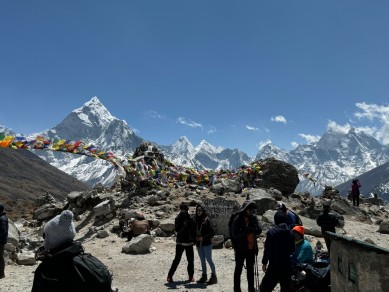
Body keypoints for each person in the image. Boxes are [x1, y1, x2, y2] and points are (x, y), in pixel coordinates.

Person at [260, 210, 295, 292]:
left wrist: (264, 262)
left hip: (274, 266)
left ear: (275, 220)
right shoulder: (290, 233)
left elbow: (267, 249)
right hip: (286, 265)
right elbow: (292, 249)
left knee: (264, 288)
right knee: (286, 288)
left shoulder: (271, 232)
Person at [231, 200, 262, 292]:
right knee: (238, 270)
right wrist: (246, 231)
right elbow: (234, 234)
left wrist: (254, 228)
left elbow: (259, 230)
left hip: (251, 249)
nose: (251, 211)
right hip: (240, 249)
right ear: (245, 209)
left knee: (250, 271)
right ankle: (237, 289)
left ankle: (251, 289)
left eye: (252, 210)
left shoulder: (254, 218)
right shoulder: (237, 219)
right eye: (249, 209)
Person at [167, 203, 196, 283]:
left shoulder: (188, 218)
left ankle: (190, 276)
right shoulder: (178, 218)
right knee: (179, 259)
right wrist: (184, 225)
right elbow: (177, 230)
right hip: (182, 242)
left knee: (188, 260)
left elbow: (193, 228)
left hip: (186, 242)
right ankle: (170, 275)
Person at [193, 204, 217, 285]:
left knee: (209, 259)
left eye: (200, 210)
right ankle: (204, 276)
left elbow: (212, 233)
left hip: (206, 243)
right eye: (197, 210)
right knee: (202, 260)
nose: (198, 212)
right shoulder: (195, 220)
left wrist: (203, 238)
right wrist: (195, 238)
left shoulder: (206, 220)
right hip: (199, 244)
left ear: (203, 211)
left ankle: (214, 276)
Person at [0, 204, 9, 279]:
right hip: (1, 240)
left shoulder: (2, 218)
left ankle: (1, 274)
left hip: (0, 241)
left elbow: (3, 231)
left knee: (0, 257)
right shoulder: (2, 217)